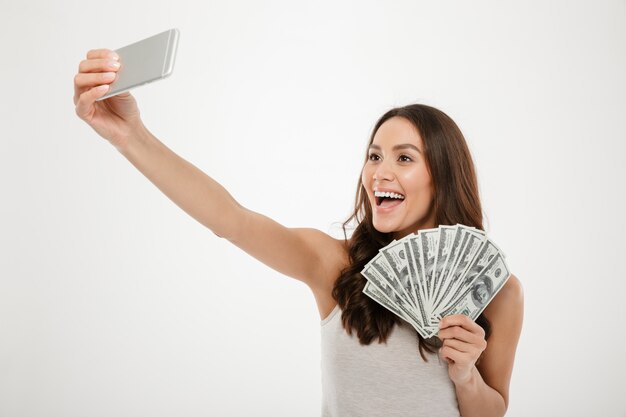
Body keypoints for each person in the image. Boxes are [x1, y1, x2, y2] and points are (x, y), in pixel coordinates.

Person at [73, 48, 524, 417]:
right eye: (373, 156)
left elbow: (490, 412)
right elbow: (230, 219)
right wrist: (130, 136)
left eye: (404, 158)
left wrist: (466, 375)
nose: (380, 173)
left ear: (442, 175)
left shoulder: (499, 294)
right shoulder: (334, 264)